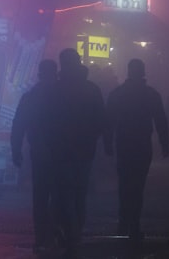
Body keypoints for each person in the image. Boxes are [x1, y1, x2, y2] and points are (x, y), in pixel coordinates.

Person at [104, 58, 169, 242]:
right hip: (142, 144)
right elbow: (160, 120)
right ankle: (134, 224)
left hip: (124, 143)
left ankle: (124, 221)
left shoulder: (119, 94)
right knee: (138, 185)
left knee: (124, 183)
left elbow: (108, 121)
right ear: (143, 72)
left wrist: (108, 143)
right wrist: (165, 143)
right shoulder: (151, 94)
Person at [51, 48, 106, 257]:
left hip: (61, 150)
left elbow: (48, 121)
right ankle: (76, 233)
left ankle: (69, 233)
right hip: (84, 150)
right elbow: (102, 120)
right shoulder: (91, 89)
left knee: (64, 193)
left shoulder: (57, 89)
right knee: (79, 194)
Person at [10, 58, 59, 252]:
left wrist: (15, 149)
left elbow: (18, 124)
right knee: (60, 195)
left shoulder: (31, 96)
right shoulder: (63, 96)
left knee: (40, 196)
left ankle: (41, 236)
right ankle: (56, 233)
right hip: (62, 153)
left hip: (38, 151)